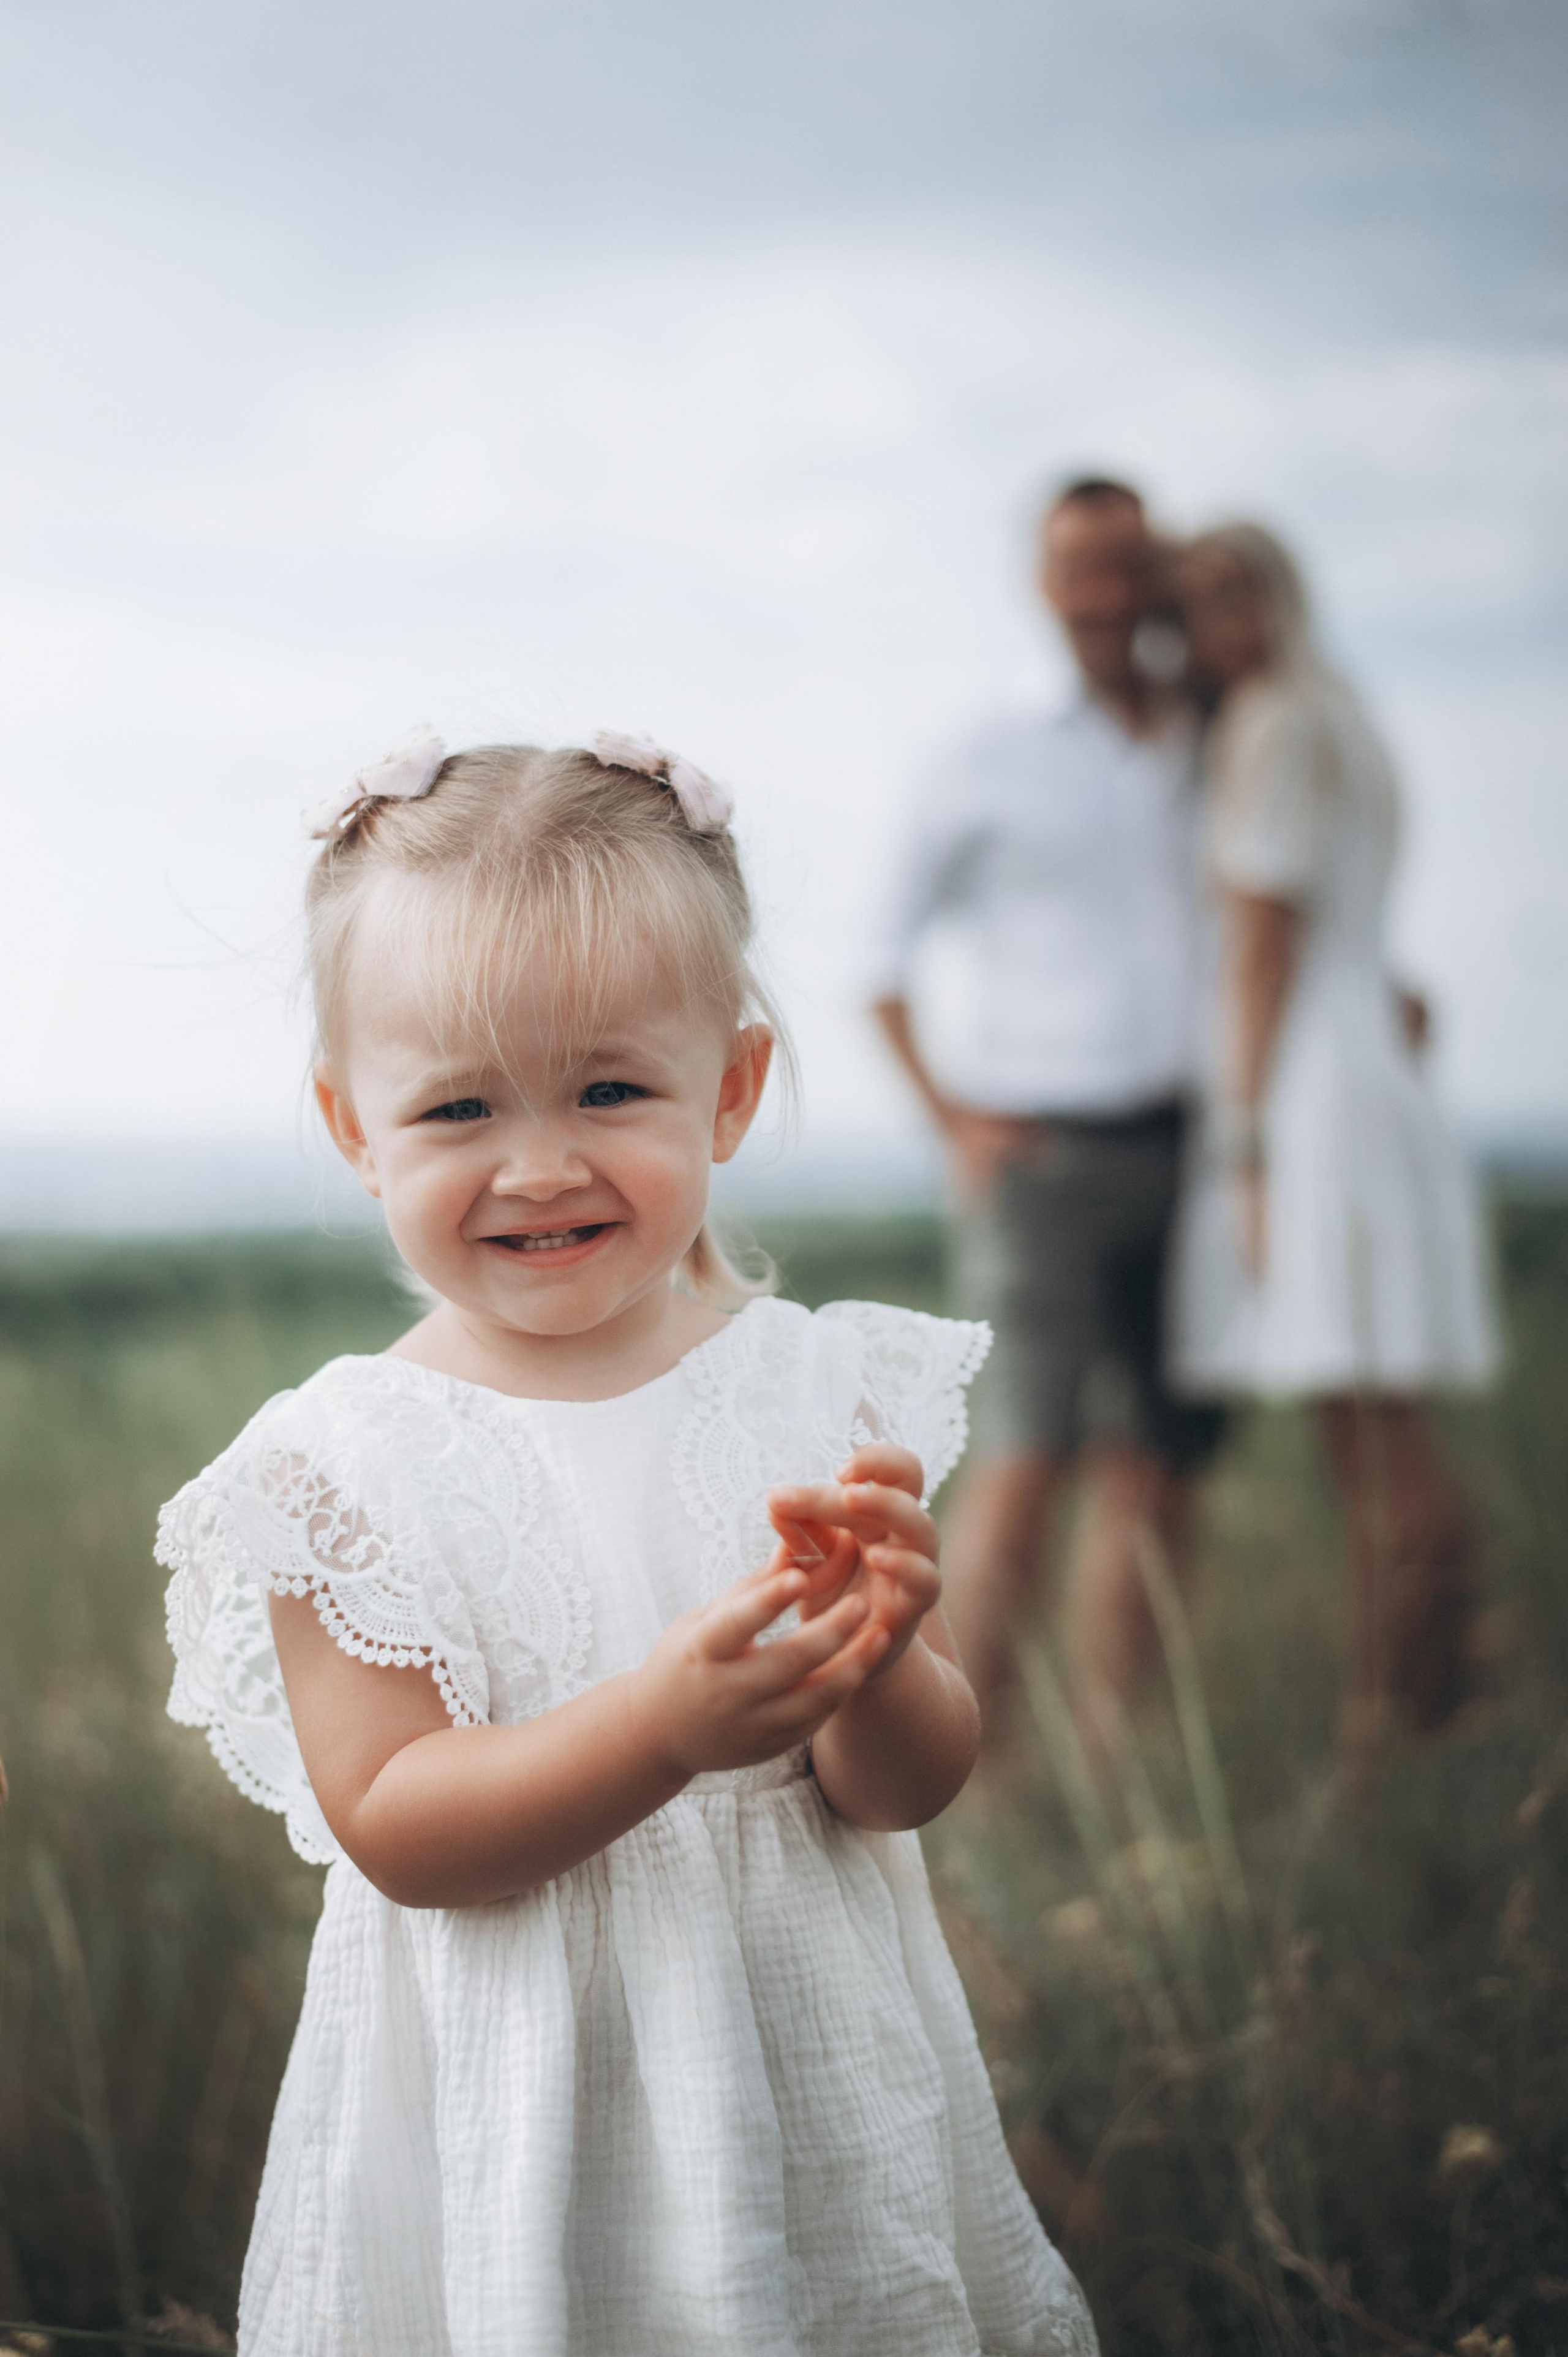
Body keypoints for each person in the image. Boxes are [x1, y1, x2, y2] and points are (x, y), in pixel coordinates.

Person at [157, 727, 1096, 2356]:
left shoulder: (818, 1392)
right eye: (455, 1106)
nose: (539, 1163)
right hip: (513, 2112)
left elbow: (904, 1788)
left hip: (806, 2080)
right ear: (351, 1126)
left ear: (727, 1090)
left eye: (610, 1088)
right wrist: (661, 1729)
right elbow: (397, 1824)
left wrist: (880, 1663)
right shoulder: (336, 1468)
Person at [869, 478, 1223, 1730]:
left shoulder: (1206, 731)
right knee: (1025, 1453)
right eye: (1082, 568)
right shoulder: (982, 754)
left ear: (1158, 578)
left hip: (1197, 1145)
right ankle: (965, 1752)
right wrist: (956, 1121)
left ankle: (1118, 1751)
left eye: (1130, 566)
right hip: (1045, 1157)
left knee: (1162, 1460)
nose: (1107, 594)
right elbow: (881, 965)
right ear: (1043, 582)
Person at [1170, 522, 1496, 1772]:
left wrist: (1246, 1147)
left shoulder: (1267, 721)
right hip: (1369, 1062)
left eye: (1225, 594)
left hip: (1311, 1092)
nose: (1211, 626)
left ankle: (1382, 1733)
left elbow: (1258, 943)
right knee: (1385, 1422)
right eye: (1189, 605)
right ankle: (1439, 1706)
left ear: (1270, 596)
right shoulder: (1341, 715)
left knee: (1364, 1437)